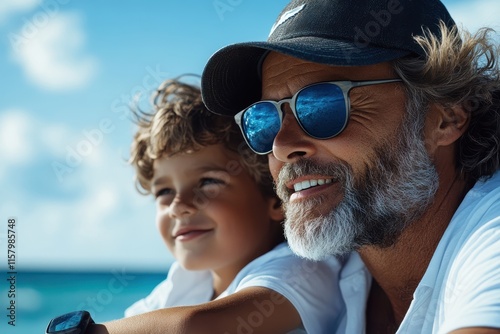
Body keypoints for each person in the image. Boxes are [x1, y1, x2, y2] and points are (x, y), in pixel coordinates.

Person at [200, 0, 500, 333]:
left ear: (445, 117)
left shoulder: (492, 237)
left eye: (322, 105)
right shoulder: (325, 270)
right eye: (264, 119)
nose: (282, 146)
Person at [70, 77, 342, 334]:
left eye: (208, 182)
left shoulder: (304, 268)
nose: (179, 206)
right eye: (164, 191)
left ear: (275, 199)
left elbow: (195, 327)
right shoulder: (186, 283)